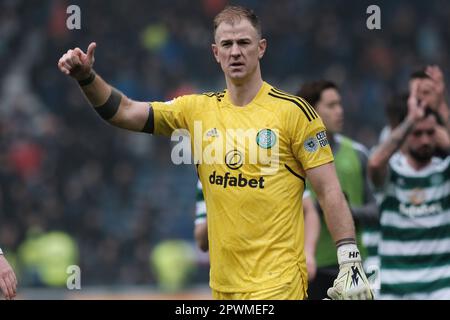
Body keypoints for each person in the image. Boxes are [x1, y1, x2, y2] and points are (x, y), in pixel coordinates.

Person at [57, 5, 372, 300]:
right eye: (227, 44)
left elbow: (329, 191)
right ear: (215, 53)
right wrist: (87, 78)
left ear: (261, 48)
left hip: (280, 285)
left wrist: (350, 260)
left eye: (244, 43)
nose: (235, 51)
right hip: (223, 288)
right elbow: (124, 112)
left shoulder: (294, 113)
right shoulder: (197, 109)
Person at [368, 81, 450, 299]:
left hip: (441, 288)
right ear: (405, 134)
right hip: (395, 289)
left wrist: (442, 108)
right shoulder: (391, 174)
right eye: (417, 133)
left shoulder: (444, 173)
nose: (425, 140)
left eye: (430, 133)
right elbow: (375, 164)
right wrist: (411, 120)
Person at [297, 80, 379, 299]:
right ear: (311, 110)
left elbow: (375, 211)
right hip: (310, 268)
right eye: (331, 106)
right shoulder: (292, 160)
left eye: (340, 104)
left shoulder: (358, 154)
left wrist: (338, 209)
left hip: (354, 267)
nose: (340, 111)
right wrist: (312, 209)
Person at [194, 180, 320, 283]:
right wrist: (218, 206)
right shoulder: (210, 173)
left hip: (277, 272)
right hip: (231, 280)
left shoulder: (275, 161)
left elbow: (308, 210)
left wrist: (308, 253)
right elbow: (202, 242)